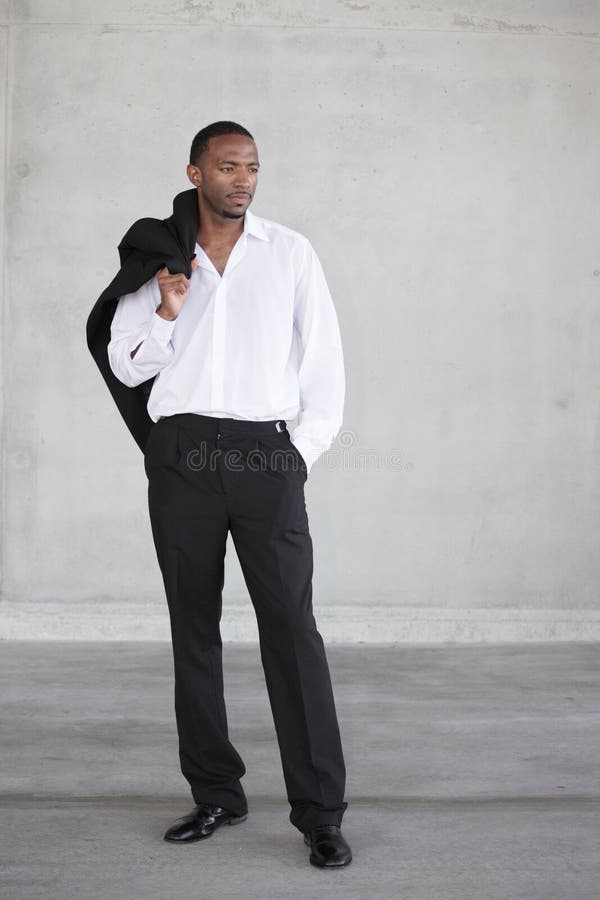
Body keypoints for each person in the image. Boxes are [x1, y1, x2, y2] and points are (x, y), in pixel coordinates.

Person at [103, 121, 351, 868]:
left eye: (252, 167)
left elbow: (327, 363)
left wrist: (295, 456)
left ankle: (319, 812)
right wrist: (168, 312)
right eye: (228, 166)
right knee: (194, 628)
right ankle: (216, 792)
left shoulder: (291, 253)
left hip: (263, 452)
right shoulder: (158, 259)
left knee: (291, 630)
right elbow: (126, 361)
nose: (243, 179)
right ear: (194, 171)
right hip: (182, 453)